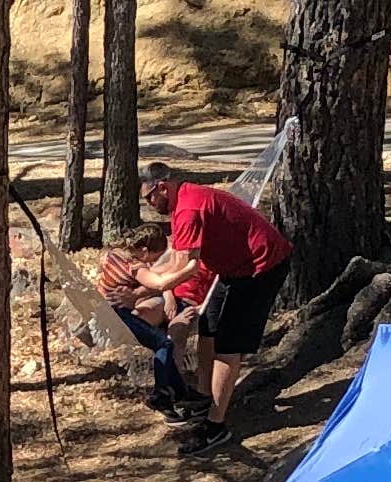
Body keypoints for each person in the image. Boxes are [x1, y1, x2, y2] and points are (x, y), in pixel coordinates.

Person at [105, 164, 289, 454]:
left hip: (260, 266)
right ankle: (203, 399)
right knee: (208, 328)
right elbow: (175, 263)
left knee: (228, 345)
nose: (149, 204)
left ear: (163, 187)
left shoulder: (189, 209)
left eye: (150, 197)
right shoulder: (183, 205)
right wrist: (139, 283)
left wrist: (138, 293)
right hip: (232, 268)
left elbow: (185, 269)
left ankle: (215, 426)